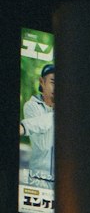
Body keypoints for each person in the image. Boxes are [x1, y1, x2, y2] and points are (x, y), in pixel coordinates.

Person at [21, 63, 55, 191]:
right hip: (38, 180)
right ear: (42, 82)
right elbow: (43, 144)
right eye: (53, 82)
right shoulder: (31, 106)